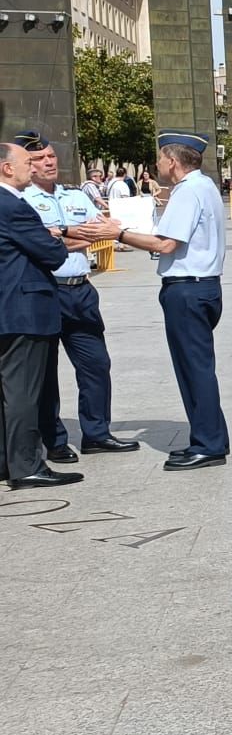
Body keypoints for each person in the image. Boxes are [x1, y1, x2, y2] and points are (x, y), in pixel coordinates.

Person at [108, 133, 231, 470]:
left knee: (194, 370)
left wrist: (116, 234)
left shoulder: (188, 192)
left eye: (160, 159)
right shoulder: (204, 186)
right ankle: (212, 437)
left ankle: (208, 445)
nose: (157, 165)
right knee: (198, 367)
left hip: (188, 289)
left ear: (172, 162)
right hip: (203, 286)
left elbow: (165, 244)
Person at [16, 133, 139, 463]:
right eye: (41, 158)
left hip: (80, 289)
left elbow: (106, 228)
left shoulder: (74, 195)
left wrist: (65, 233)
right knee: (45, 371)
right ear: (26, 164)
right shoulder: (21, 201)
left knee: (96, 364)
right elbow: (37, 244)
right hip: (45, 290)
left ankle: (97, 433)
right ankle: (54, 439)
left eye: (52, 156)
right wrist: (76, 234)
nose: (50, 162)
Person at [0, 141, 80, 489]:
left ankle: (8, 461)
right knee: (23, 392)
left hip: (10, 306)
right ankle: (27, 465)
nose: (32, 168)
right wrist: (53, 238)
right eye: (26, 162)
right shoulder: (12, 205)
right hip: (24, 309)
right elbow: (52, 255)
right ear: (6, 168)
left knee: (8, 390)